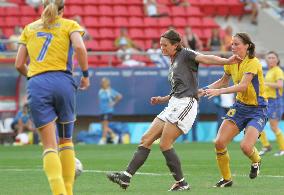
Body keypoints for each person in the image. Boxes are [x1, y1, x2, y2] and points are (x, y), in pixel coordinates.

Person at [106, 29, 241, 191]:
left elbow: (206, 58)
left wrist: (228, 61)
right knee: (146, 139)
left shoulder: (186, 54)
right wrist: (163, 99)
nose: (161, 48)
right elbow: (179, 87)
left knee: (165, 143)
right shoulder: (174, 60)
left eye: (165, 45)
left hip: (186, 104)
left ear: (175, 45)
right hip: (173, 104)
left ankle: (182, 183)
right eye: (161, 44)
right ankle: (126, 177)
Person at [14, 0, 90, 195]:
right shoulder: (69, 24)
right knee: (66, 141)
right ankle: (69, 191)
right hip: (63, 82)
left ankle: (59, 193)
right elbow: (80, 48)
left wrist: (33, 76)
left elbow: (18, 64)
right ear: (62, 10)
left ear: (43, 8)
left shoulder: (29, 28)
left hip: (38, 84)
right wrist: (86, 75)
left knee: (49, 146)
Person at [201, 32, 267, 187]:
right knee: (219, 143)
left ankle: (257, 161)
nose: (233, 46)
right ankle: (227, 179)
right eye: (232, 44)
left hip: (258, 109)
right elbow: (223, 81)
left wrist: (219, 92)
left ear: (247, 46)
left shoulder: (253, 62)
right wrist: (203, 90)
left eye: (236, 44)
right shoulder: (230, 62)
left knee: (245, 147)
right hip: (239, 107)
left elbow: (243, 86)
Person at [258, 51, 284, 156]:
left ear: (277, 60)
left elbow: (280, 85)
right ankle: (266, 146)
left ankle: (282, 149)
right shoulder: (269, 71)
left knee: (274, 127)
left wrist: (265, 83)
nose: (271, 59)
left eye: (273, 57)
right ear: (266, 60)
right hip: (267, 102)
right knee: (258, 124)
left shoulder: (278, 71)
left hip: (276, 101)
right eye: (269, 58)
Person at [98, 77, 122, 145]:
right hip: (102, 111)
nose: (102, 83)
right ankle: (115, 136)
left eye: (103, 82)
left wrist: (113, 103)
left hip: (108, 111)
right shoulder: (100, 91)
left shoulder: (110, 91)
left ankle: (103, 139)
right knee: (103, 127)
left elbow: (119, 96)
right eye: (102, 82)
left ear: (107, 83)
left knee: (105, 126)